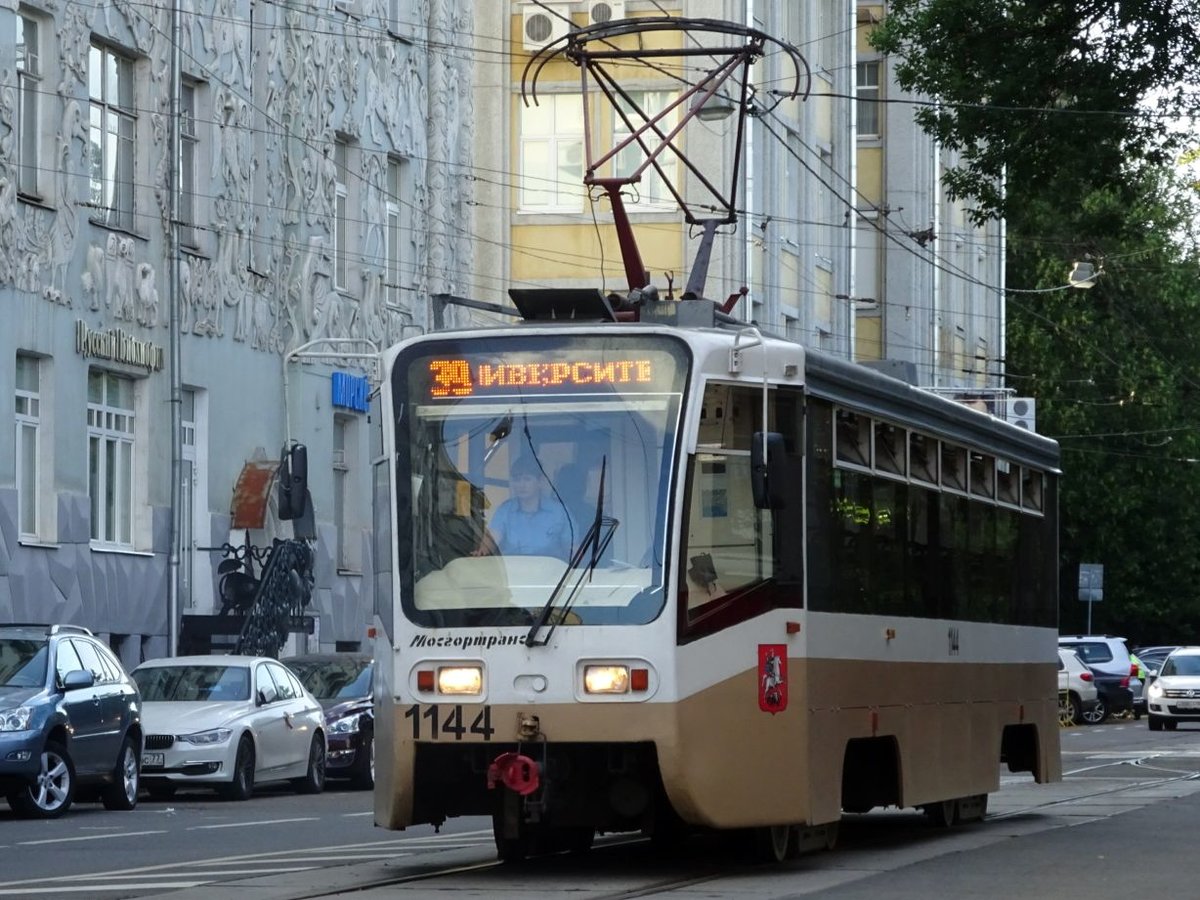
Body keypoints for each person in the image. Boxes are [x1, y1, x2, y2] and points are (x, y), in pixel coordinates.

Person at [473, 455, 572, 560]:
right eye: (517, 480)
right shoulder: (505, 510)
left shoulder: (560, 512)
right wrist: (482, 551)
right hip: (512, 572)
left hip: (553, 575)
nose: (521, 485)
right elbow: (491, 540)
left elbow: (572, 550)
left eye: (527, 479)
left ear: (540, 481)